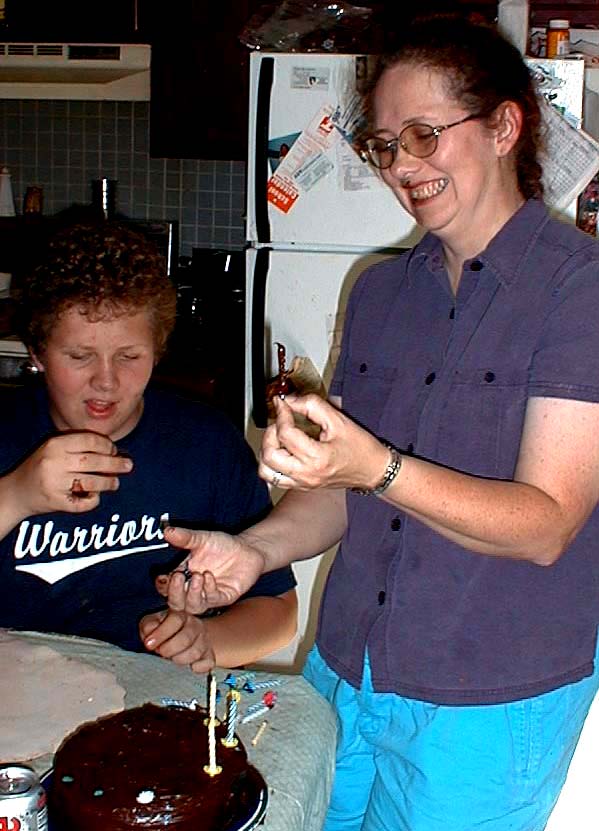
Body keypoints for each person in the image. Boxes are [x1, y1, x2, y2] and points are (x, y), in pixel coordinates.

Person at [159, 14, 599, 831]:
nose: (403, 166)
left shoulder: (580, 292)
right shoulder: (379, 292)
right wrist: (255, 549)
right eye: (387, 145)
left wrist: (373, 468)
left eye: (426, 135)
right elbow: (345, 490)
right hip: (345, 671)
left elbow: (543, 525)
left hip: (483, 706)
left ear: (504, 125)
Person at [0, 221, 297, 672]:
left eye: (129, 357)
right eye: (79, 356)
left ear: (157, 351)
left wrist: (207, 639)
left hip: (157, 696)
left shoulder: (207, 445)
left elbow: (278, 613)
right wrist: (16, 495)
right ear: (37, 354)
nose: (106, 380)